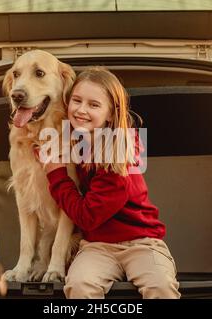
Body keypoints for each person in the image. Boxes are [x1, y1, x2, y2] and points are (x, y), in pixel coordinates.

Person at [38, 66, 180, 299]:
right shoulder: (76, 140)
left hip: (141, 243)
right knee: (79, 286)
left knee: (160, 287)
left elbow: (88, 217)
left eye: (94, 105)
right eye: (76, 100)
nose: (81, 110)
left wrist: (56, 173)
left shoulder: (120, 158)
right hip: (97, 246)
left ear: (112, 114)